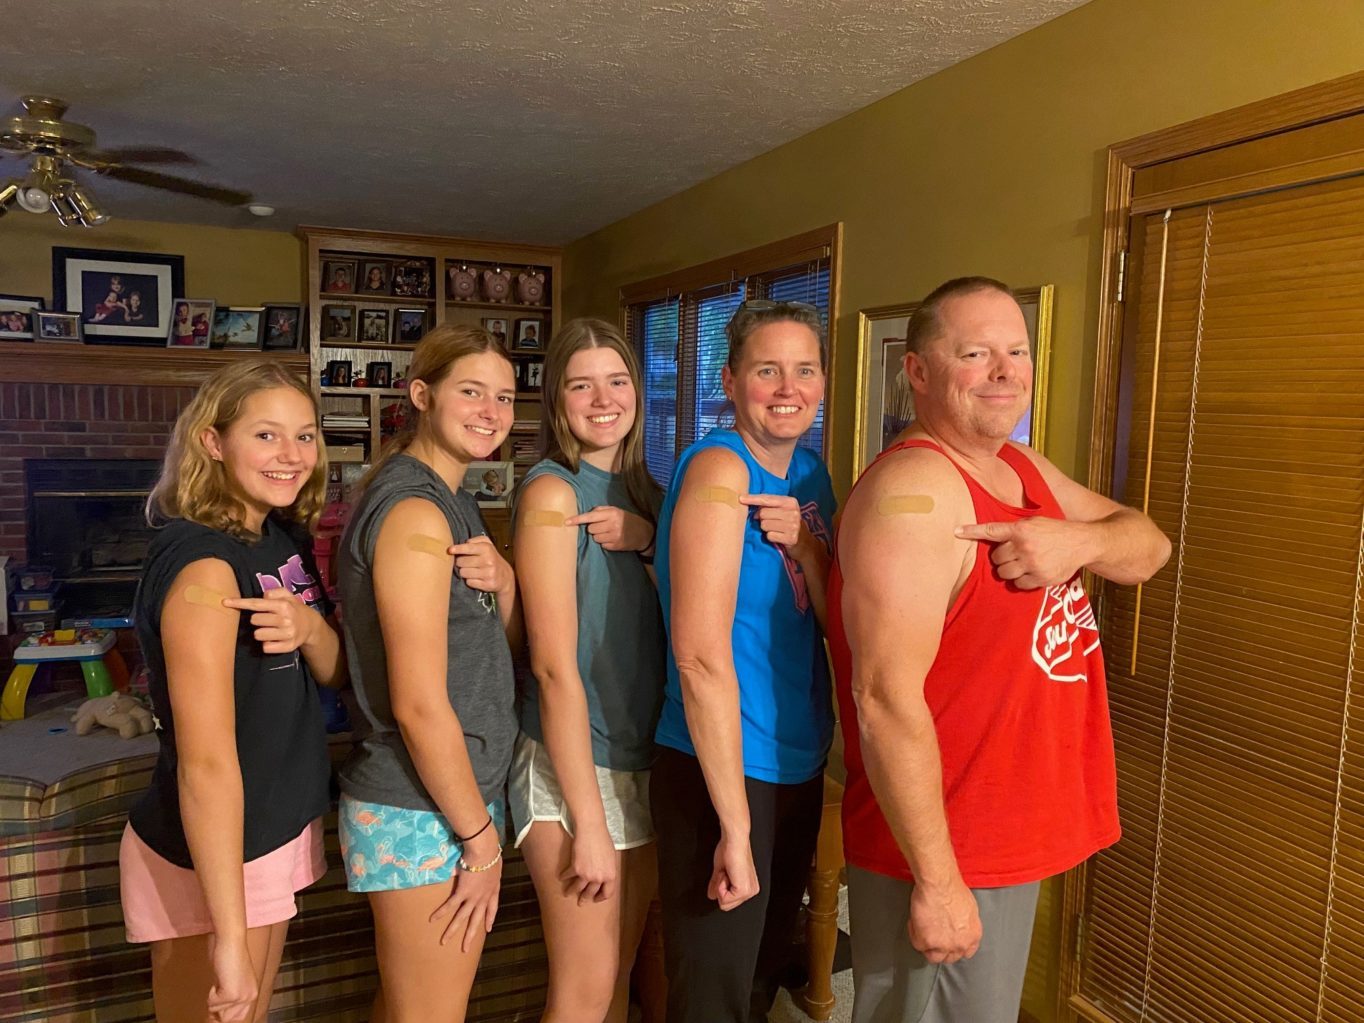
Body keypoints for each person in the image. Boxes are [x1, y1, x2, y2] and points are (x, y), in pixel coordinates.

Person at [828, 277, 1171, 1023]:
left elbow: (1148, 546)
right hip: (947, 844)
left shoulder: (1019, 468)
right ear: (917, 371)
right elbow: (883, 701)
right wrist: (940, 881)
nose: (1005, 370)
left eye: (1016, 350)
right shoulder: (915, 494)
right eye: (976, 353)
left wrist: (1074, 540)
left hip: (1004, 833)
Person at [120, 360, 346, 1023]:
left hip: (270, 829)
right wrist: (227, 934)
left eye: (305, 436)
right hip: (219, 853)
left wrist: (307, 625)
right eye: (267, 435)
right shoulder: (204, 563)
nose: (292, 455)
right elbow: (207, 763)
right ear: (213, 442)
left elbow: (335, 671)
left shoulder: (276, 536)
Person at [651, 298, 836, 1023]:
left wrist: (810, 548)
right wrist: (734, 824)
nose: (788, 387)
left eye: (804, 369)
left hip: (797, 758)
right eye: (767, 370)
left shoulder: (812, 475)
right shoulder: (720, 471)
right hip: (722, 767)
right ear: (730, 381)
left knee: (758, 980)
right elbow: (697, 657)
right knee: (712, 997)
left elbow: (830, 616)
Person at [336, 324, 520, 1023]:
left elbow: (486, 646)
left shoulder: (450, 498)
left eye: (503, 396)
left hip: (446, 799)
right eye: (471, 391)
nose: (490, 411)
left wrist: (504, 581)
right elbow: (416, 703)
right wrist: (479, 843)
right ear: (422, 394)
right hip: (423, 809)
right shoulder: (414, 509)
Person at [511, 318, 665, 1023]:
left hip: (643, 754)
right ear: (556, 401)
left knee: (618, 976)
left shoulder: (650, 493)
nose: (603, 399)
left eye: (617, 380)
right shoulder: (553, 493)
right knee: (582, 989)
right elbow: (551, 668)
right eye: (581, 384)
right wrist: (590, 823)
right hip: (576, 764)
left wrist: (649, 540)